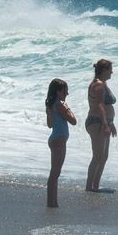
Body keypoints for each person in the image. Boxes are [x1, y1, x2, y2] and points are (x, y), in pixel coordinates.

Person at [85, 58, 117, 193]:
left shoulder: (103, 84)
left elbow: (106, 105)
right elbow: (99, 105)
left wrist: (111, 123)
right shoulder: (98, 85)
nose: (112, 72)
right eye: (110, 69)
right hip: (97, 122)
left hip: (104, 122)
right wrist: (105, 123)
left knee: (103, 156)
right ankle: (89, 186)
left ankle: (95, 186)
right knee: (98, 156)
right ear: (104, 70)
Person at [45, 79, 77, 208]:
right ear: (58, 92)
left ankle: (53, 202)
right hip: (58, 140)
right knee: (55, 173)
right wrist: (68, 107)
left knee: (55, 173)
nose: (67, 93)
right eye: (65, 91)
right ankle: (51, 203)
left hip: (55, 139)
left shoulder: (51, 105)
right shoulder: (59, 105)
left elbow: (50, 124)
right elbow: (73, 121)